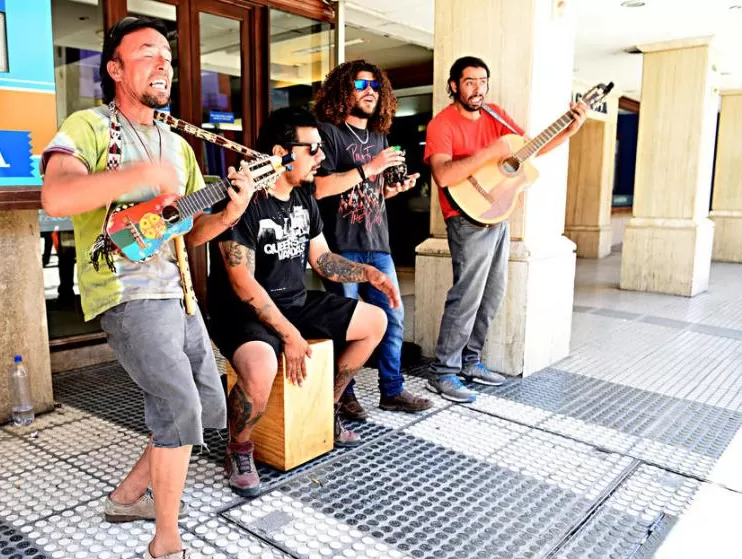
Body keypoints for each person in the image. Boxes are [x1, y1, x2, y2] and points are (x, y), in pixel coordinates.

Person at [39, 16, 256, 559]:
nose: (163, 65)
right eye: (146, 55)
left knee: (206, 410)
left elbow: (189, 231)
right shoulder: (88, 126)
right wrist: (140, 176)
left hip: (180, 293)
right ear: (114, 69)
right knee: (179, 410)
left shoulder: (180, 148)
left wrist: (230, 207)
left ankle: (131, 494)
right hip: (126, 293)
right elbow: (57, 197)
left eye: (167, 57)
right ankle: (166, 544)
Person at [207, 107, 399, 497]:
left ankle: (325, 410)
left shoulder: (303, 198)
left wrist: (368, 274)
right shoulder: (245, 200)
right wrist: (290, 334)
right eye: (312, 149)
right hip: (242, 310)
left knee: (374, 322)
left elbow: (322, 260)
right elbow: (242, 283)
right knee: (261, 365)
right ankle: (240, 447)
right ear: (281, 152)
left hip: (294, 301)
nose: (321, 157)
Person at [424, 56, 587, 403]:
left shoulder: (495, 114)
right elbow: (443, 176)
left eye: (483, 81)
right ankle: (443, 372)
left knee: (492, 293)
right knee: (466, 296)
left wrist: (569, 130)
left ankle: (470, 362)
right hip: (465, 217)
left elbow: (528, 150)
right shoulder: (443, 124)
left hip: (497, 214)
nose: (478, 88)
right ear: (453, 85)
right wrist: (489, 152)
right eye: (469, 82)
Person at [313, 60, 432, 421]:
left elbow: (368, 193)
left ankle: (391, 391)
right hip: (339, 246)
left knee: (393, 317)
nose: (369, 92)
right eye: (360, 85)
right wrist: (371, 167)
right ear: (342, 90)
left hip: (377, 243)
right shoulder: (328, 132)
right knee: (346, 322)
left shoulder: (379, 137)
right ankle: (343, 394)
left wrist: (391, 189)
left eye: (375, 87)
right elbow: (319, 189)